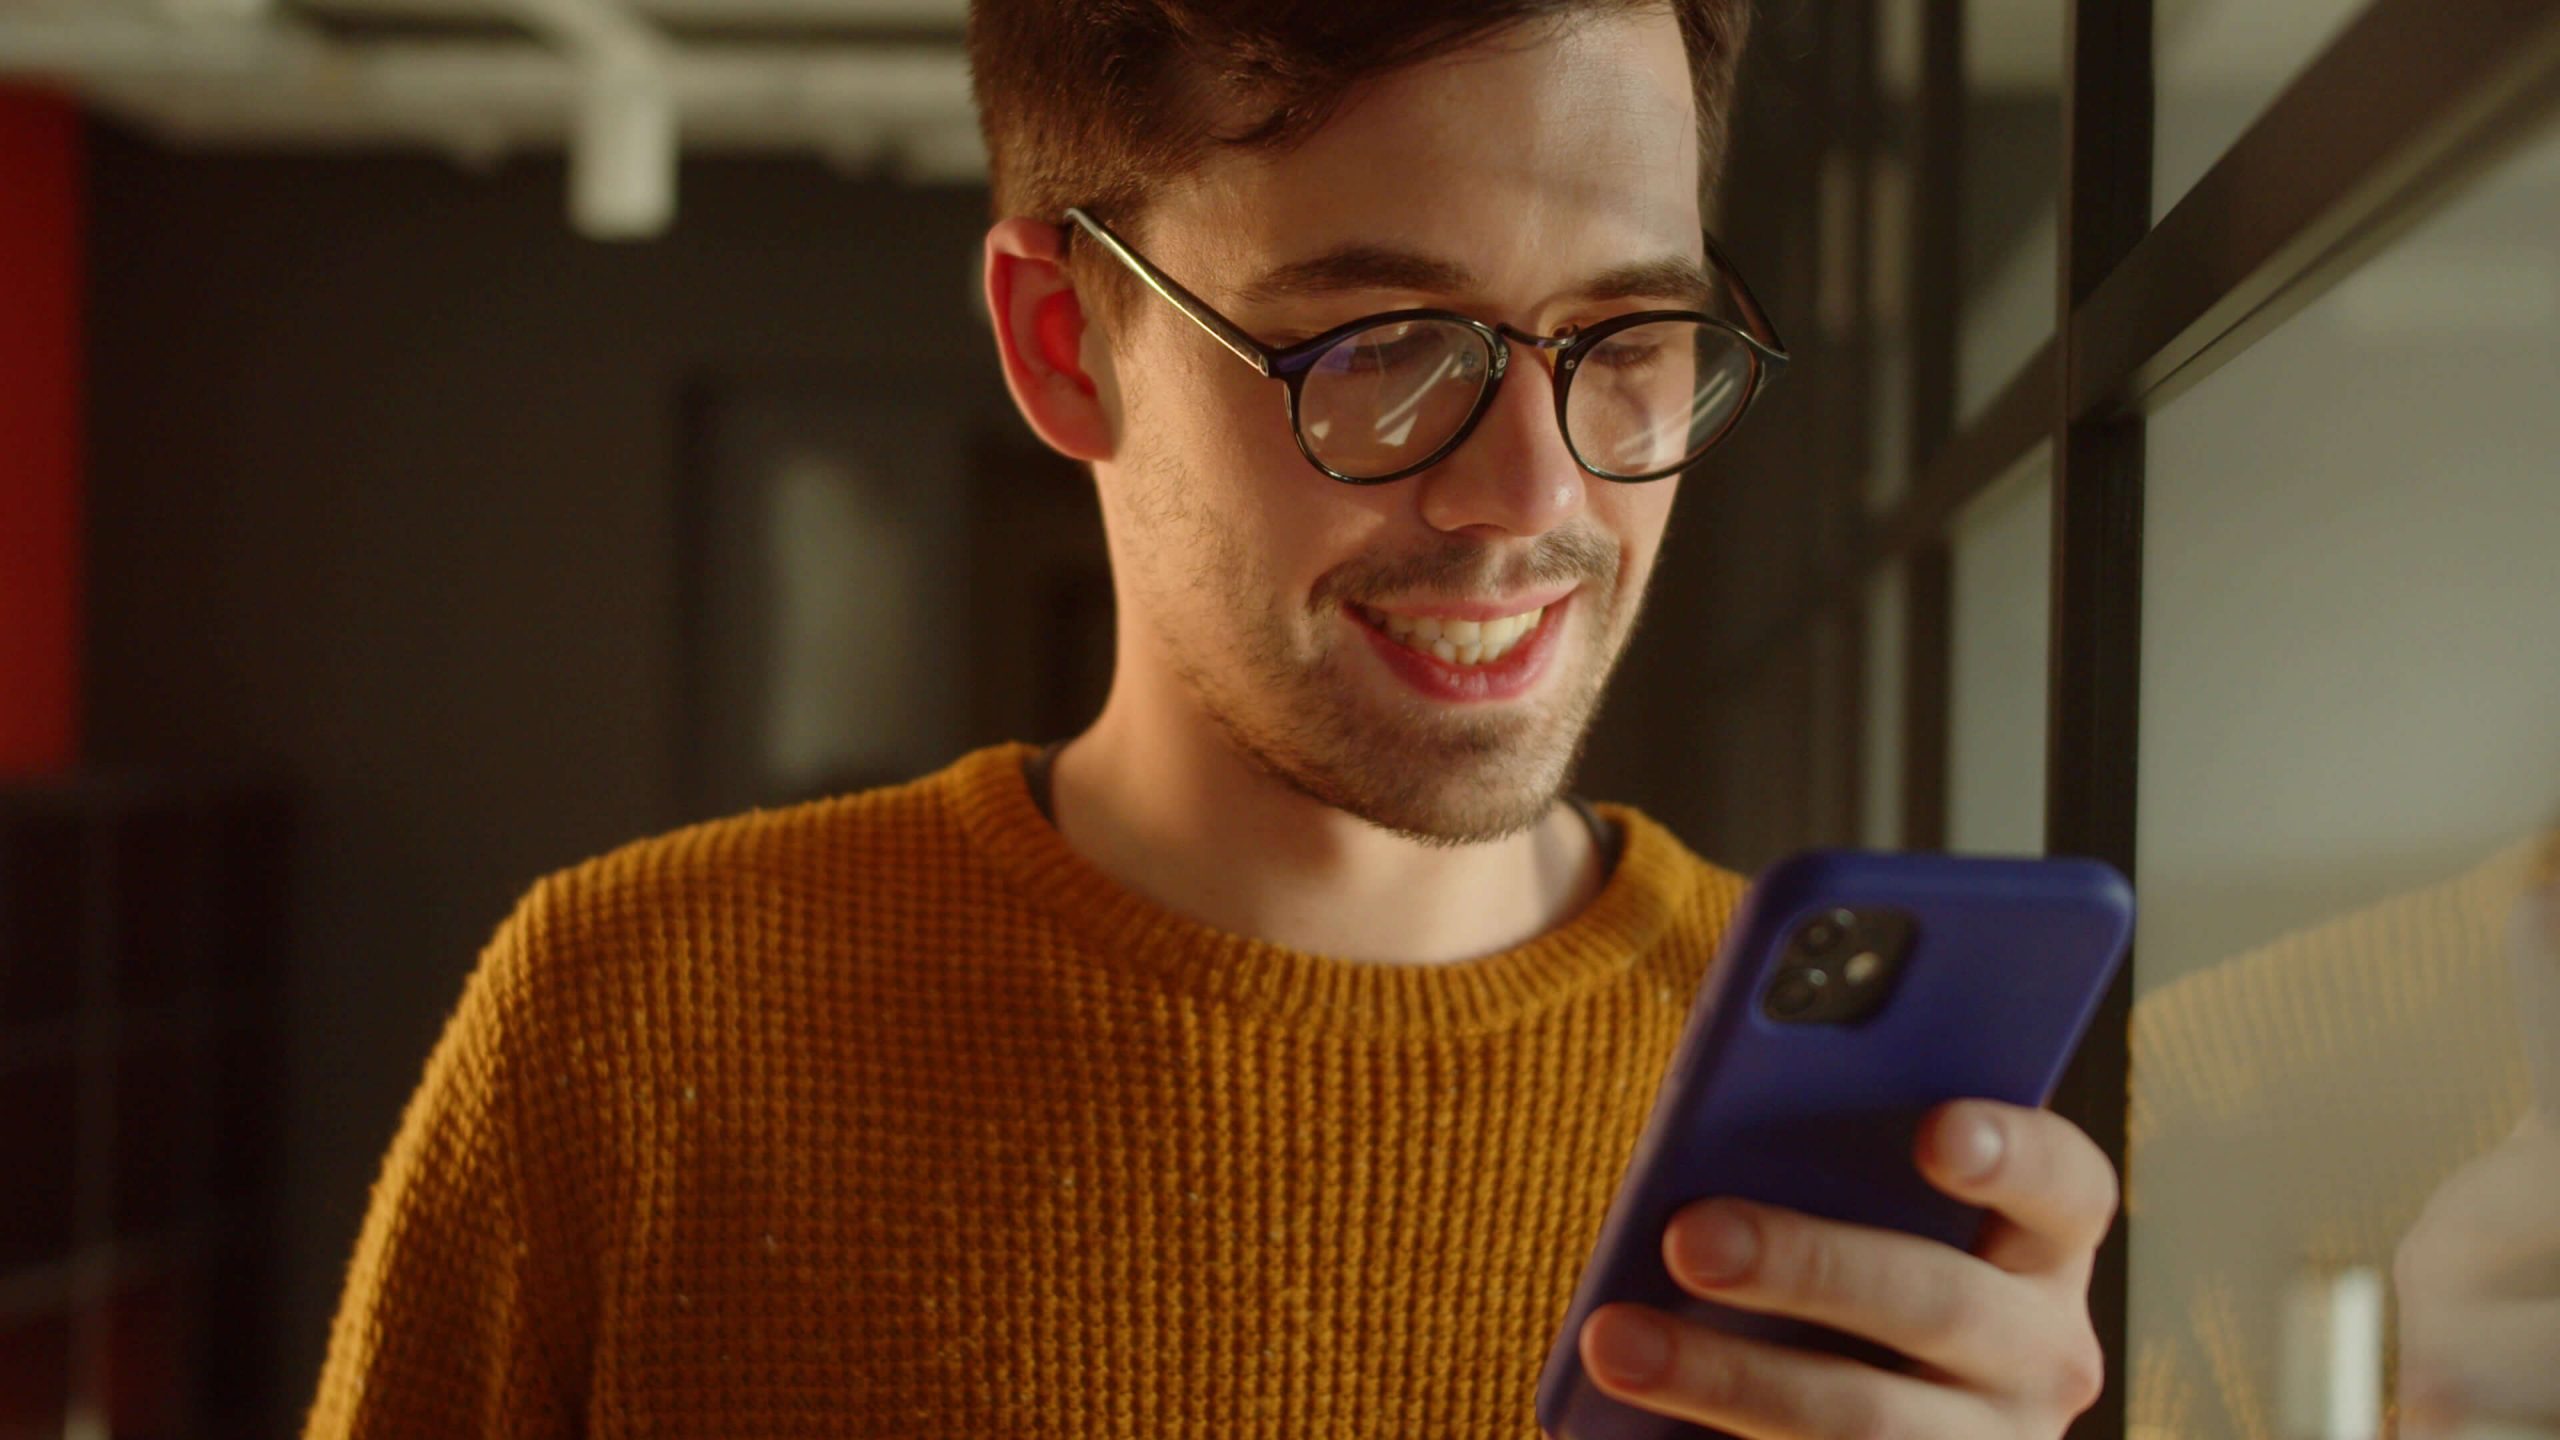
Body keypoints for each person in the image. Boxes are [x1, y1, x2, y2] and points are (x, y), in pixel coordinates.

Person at [304, 3, 2116, 1435]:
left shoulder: (1885, 1155)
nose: (1528, 492)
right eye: (1387, 345)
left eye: (1626, 338)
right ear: (1064, 341)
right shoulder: (624, 1019)